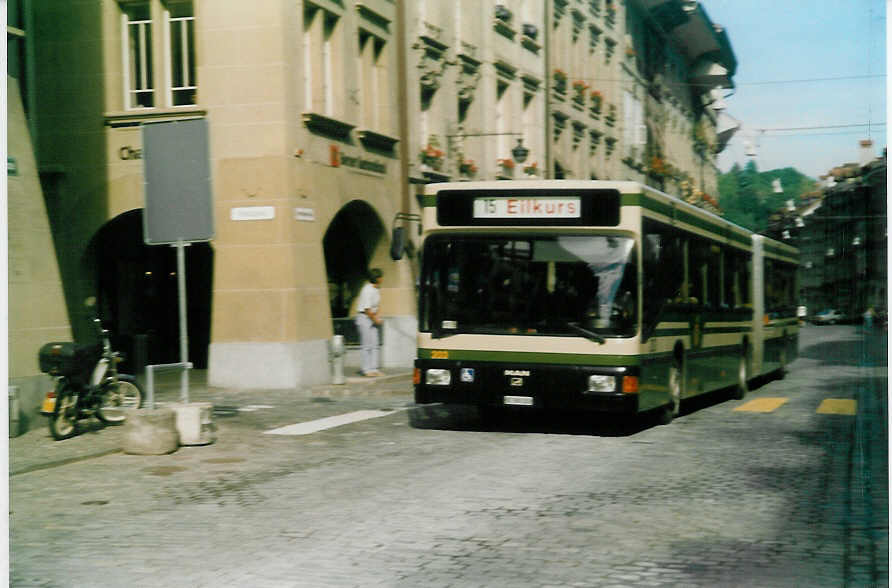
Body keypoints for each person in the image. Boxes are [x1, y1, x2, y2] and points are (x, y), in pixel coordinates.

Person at [355, 268, 384, 377]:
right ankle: (366, 370)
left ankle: (374, 368)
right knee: (366, 345)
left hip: (372, 317)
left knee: (375, 344)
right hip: (365, 318)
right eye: (380, 277)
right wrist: (375, 319)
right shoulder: (367, 290)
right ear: (377, 278)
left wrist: (377, 316)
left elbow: (376, 306)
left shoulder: (376, 289)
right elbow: (367, 309)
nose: (382, 279)